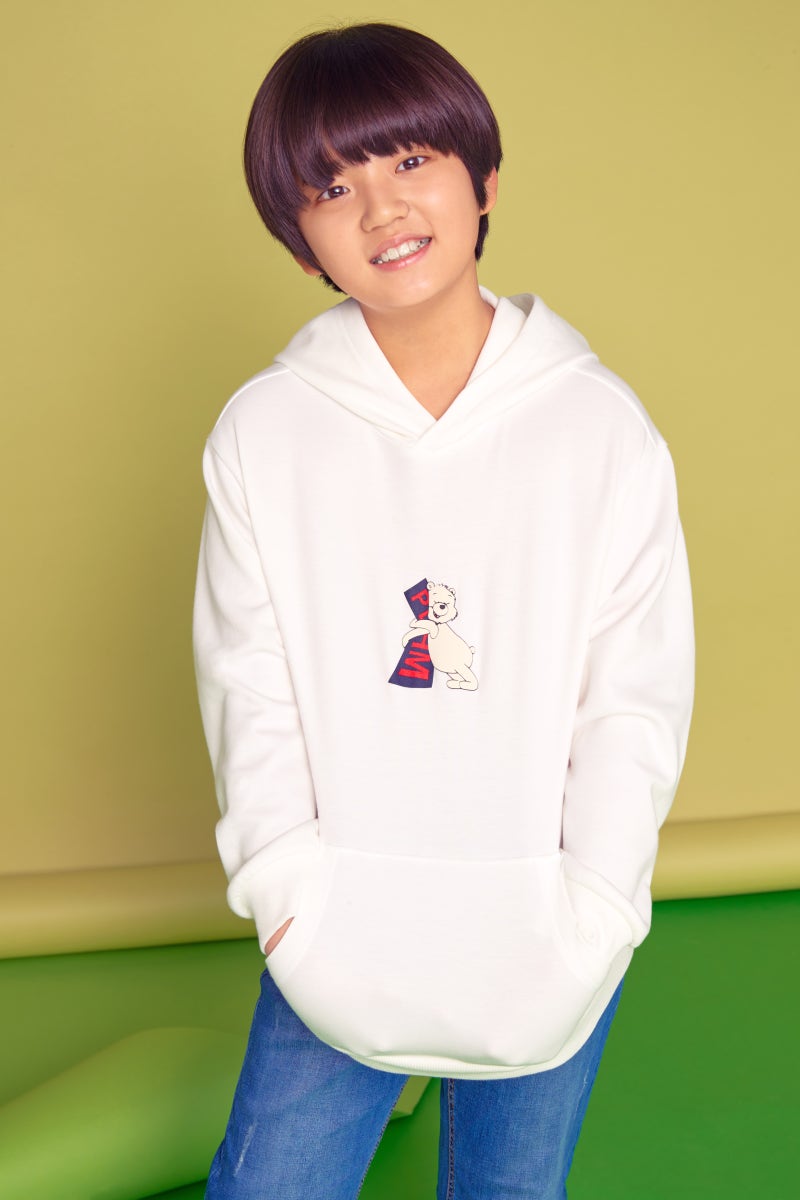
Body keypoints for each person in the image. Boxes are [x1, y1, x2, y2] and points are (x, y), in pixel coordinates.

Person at [192, 22, 694, 1200]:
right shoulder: (266, 431)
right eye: (331, 187)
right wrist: (286, 895)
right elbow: (246, 680)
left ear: (484, 181)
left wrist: (597, 906)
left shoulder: (598, 428)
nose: (380, 209)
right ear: (300, 242)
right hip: (338, 922)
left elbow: (632, 696)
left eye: (410, 160)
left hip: (549, 919)